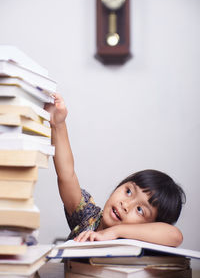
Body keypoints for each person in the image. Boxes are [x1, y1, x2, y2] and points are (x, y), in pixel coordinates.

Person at [45, 94, 186, 247]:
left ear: (150, 226)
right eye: (129, 191)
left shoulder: (134, 242)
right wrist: (58, 124)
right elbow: (67, 174)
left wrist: (115, 232)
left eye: (140, 210)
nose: (126, 205)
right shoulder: (89, 218)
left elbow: (175, 236)